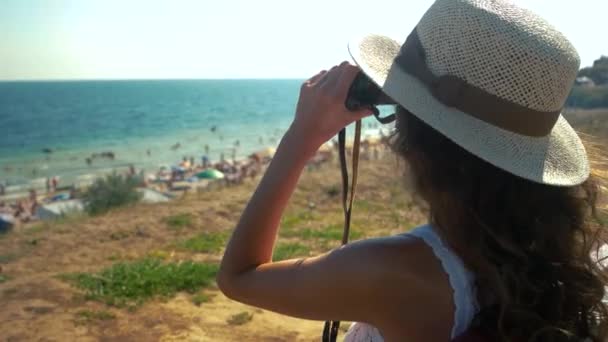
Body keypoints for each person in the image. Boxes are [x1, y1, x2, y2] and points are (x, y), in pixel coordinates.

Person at [217, 1, 608, 341]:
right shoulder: (582, 263)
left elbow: (240, 276)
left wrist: (301, 136)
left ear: (414, 143)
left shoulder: (390, 273)